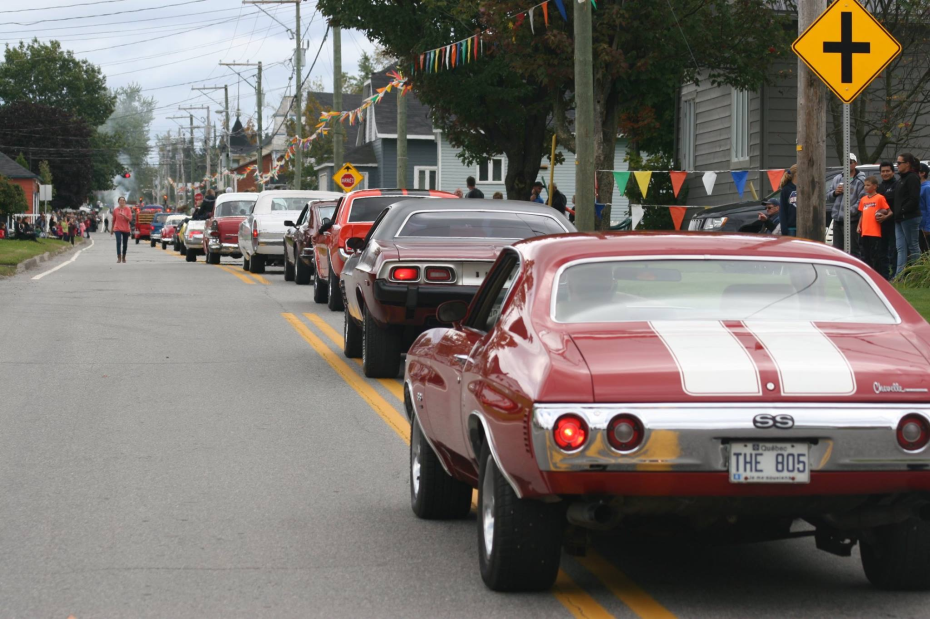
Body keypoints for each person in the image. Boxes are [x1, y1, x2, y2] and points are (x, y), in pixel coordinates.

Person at [827, 153, 865, 255]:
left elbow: (862, 201)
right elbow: (828, 197)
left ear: (855, 163)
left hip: (852, 221)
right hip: (837, 220)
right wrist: (835, 193)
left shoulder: (860, 180)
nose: (848, 164)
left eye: (850, 162)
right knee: (837, 250)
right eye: (846, 162)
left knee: (853, 250)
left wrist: (849, 212)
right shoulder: (837, 178)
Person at [893, 152, 922, 277]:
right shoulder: (901, 179)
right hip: (899, 218)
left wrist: (903, 210)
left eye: (899, 163)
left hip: (909, 217)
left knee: (913, 246)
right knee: (901, 248)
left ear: (907, 164)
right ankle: (899, 276)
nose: (897, 165)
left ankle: (917, 274)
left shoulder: (913, 178)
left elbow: (914, 199)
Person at [857, 176, 890, 278]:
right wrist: (859, 226)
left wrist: (884, 217)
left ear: (875, 186)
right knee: (865, 255)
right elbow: (862, 214)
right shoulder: (863, 199)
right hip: (865, 231)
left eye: (868, 185)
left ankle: (876, 276)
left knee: (875, 256)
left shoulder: (880, 198)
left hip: (875, 232)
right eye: (865, 185)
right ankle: (867, 275)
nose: (865, 187)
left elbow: (888, 211)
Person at [876, 162, 897, 280]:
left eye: (887, 171)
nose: (885, 173)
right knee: (881, 250)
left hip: (894, 223)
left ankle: (895, 274)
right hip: (880, 225)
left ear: (893, 172)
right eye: (883, 171)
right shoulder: (879, 187)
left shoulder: (896, 185)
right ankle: (884, 276)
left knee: (894, 250)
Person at [111, 196, 133, 263]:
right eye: (120, 200)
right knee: (118, 242)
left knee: (125, 244)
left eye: (123, 200)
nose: (122, 202)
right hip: (117, 228)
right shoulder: (115, 210)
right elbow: (114, 220)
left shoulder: (128, 209)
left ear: (125, 202)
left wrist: (124, 215)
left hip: (126, 229)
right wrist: (112, 229)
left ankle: (124, 257)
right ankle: (119, 257)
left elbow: (130, 219)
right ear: (118, 202)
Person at [779, 164, 797, 236]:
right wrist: (784, 229)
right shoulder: (786, 190)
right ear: (796, 174)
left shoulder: (805, 188)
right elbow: (782, 210)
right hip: (791, 228)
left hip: (804, 227)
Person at [920, 163, 930, 253]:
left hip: (924, 227)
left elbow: (929, 207)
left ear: (923, 173)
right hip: (918, 226)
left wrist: (928, 227)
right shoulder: (916, 187)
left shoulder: (927, 188)